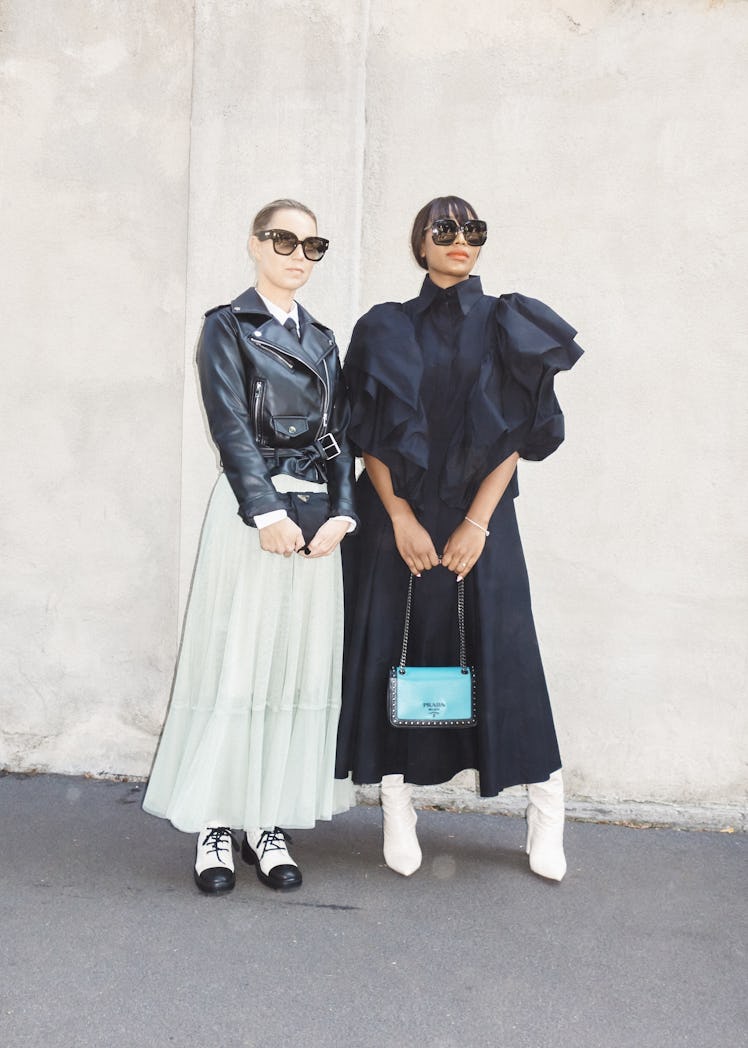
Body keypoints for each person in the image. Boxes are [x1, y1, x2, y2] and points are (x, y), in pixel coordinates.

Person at [335, 195, 583, 882]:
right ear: (420, 242)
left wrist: (477, 521)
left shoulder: (510, 322)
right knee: (399, 653)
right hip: (399, 520)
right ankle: (397, 802)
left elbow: (515, 436)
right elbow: (369, 438)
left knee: (507, 658)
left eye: (473, 230)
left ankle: (546, 807)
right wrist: (401, 518)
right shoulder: (383, 326)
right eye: (445, 230)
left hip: (485, 517)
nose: (461, 240)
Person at [144, 199, 357, 894]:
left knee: (291, 671)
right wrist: (264, 510)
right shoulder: (227, 327)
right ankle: (215, 822)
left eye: (312, 244)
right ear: (254, 245)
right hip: (254, 513)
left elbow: (340, 435)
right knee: (235, 665)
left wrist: (342, 514)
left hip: (316, 523)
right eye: (284, 239)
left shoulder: (324, 338)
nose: (299, 254)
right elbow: (231, 427)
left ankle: (266, 821)